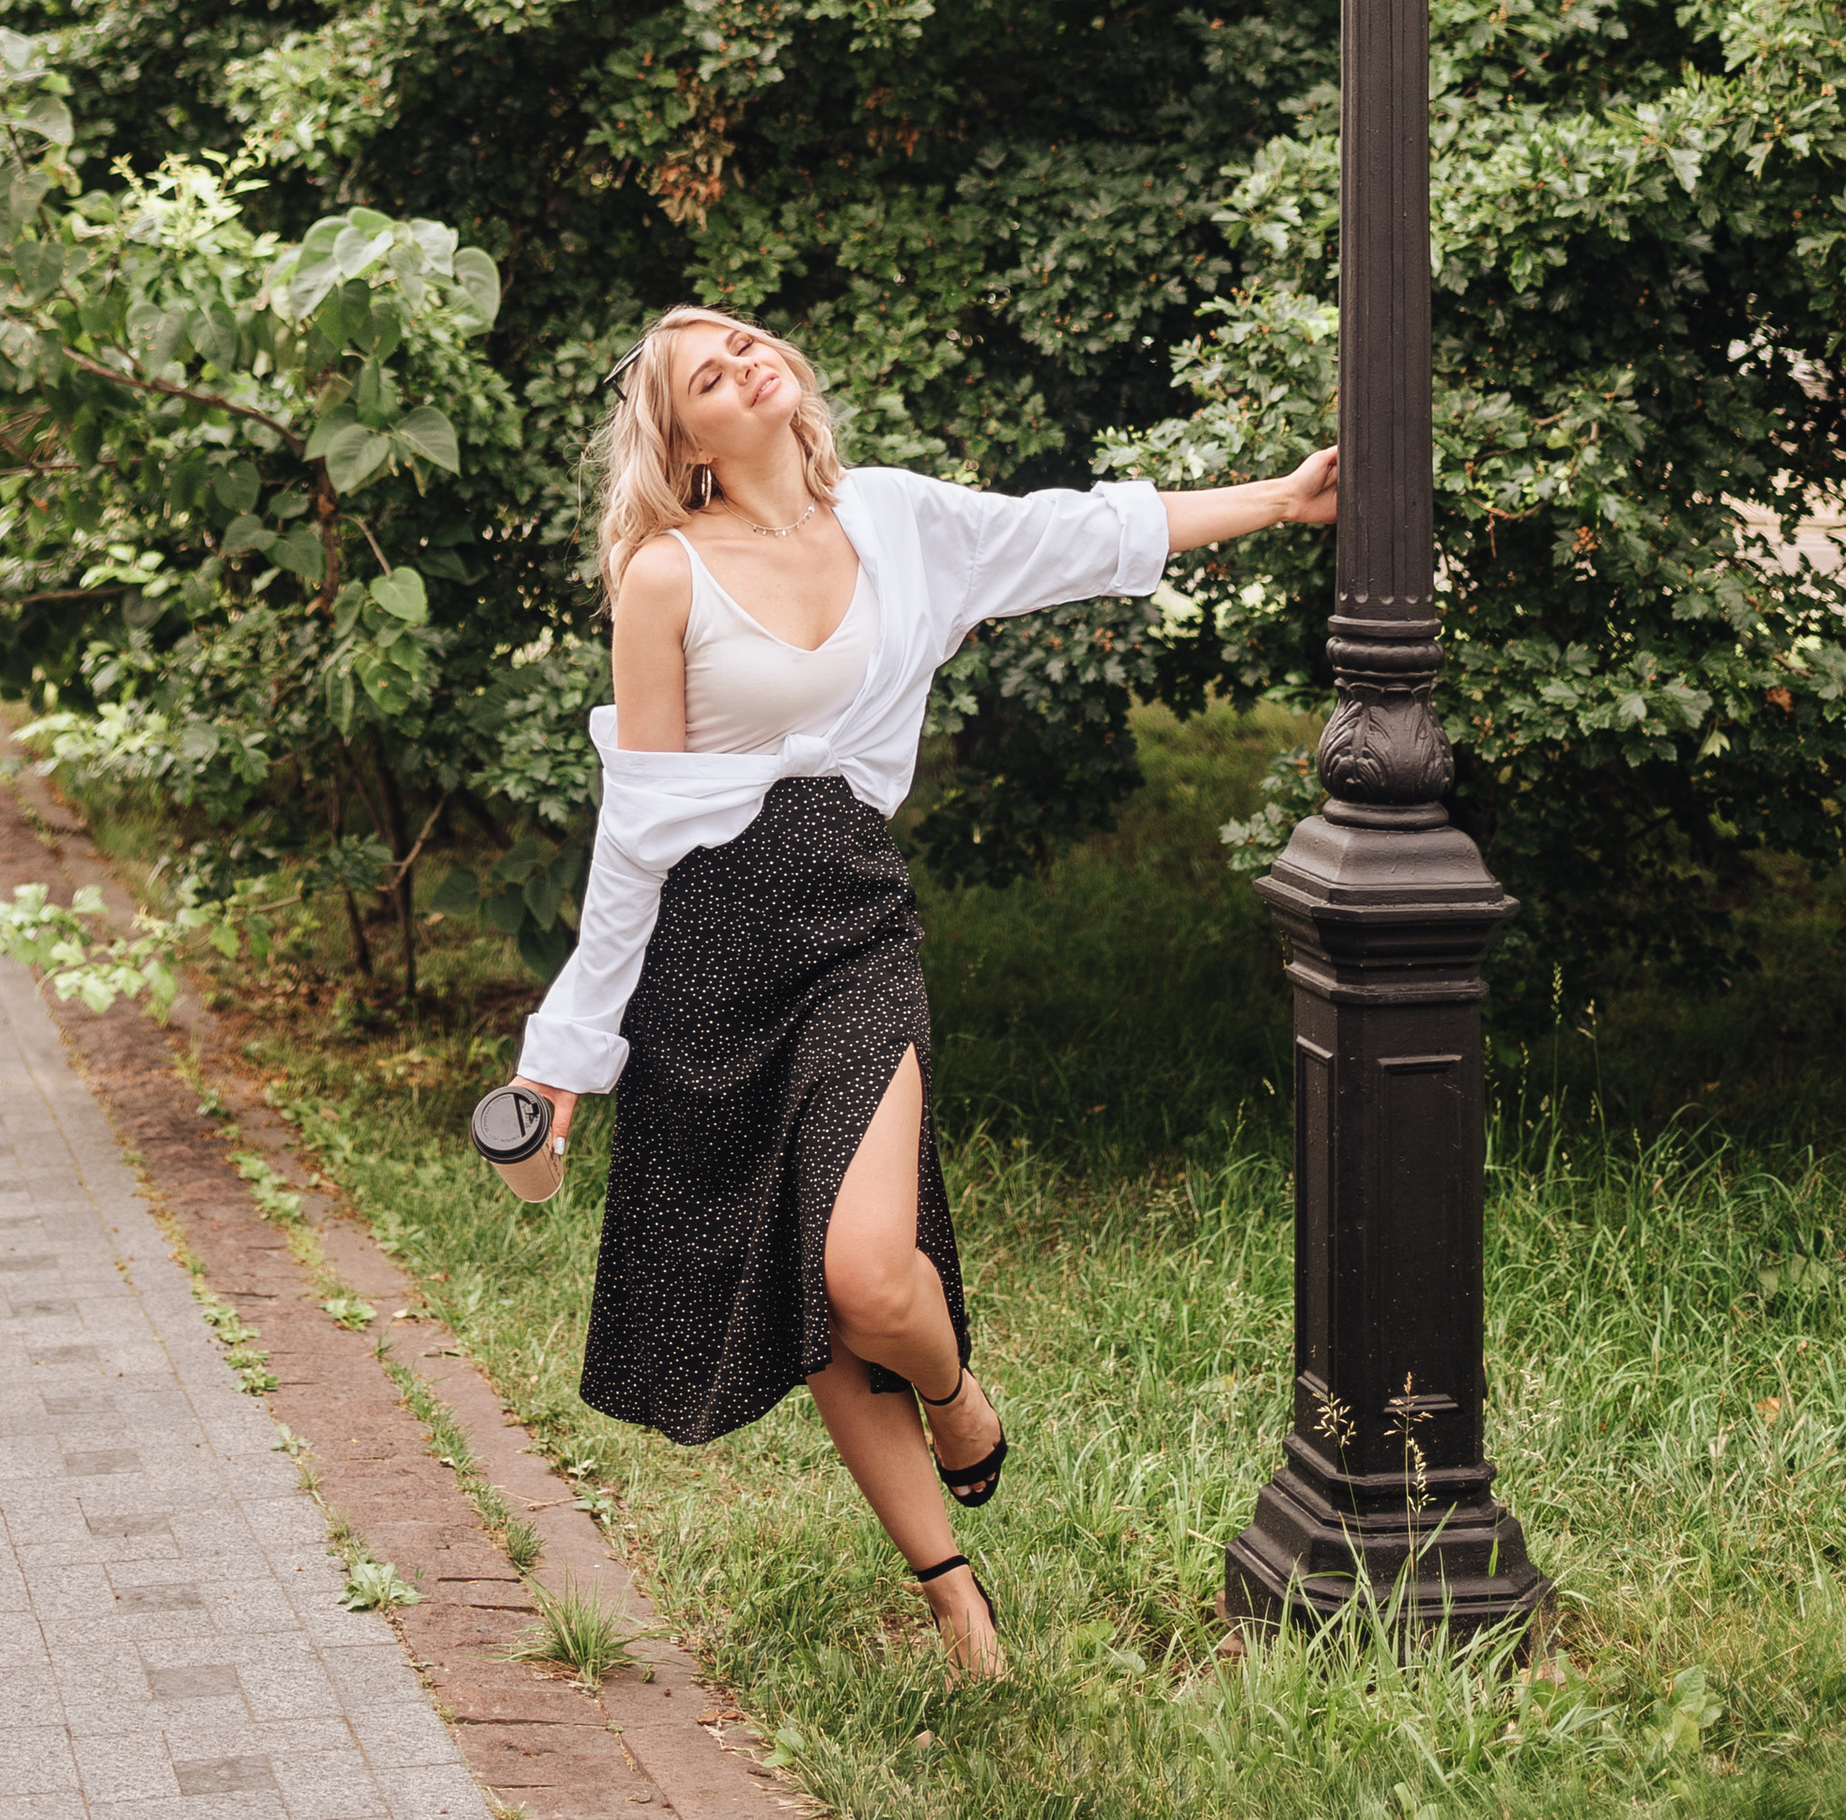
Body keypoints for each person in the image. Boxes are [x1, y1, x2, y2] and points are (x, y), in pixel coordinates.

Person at [509, 303, 1338, 1682]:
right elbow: (636, 828)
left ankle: (957, 1401)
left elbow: (1082, 534)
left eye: (746, 343)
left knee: (865, 1270)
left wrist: (1278, 501)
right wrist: (564, 1059)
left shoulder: (897, 521)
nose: (745, 364)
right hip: (711, 954)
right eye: (707, 375)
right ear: (686, 440)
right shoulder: (663, 576)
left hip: (848, 920)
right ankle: (957, 1600)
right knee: (808, 1290)